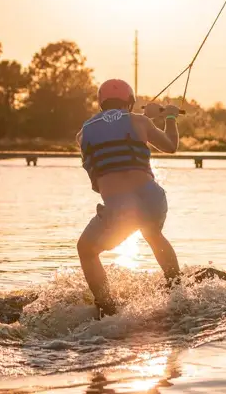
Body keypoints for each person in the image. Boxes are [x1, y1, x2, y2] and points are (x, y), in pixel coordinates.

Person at [76, 78, 182, 318]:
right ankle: (177, 290)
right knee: (152, 234)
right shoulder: (140, 121)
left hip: (119, 207)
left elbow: (109, 135)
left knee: (86, 249)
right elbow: (171, 146)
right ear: (131, 102)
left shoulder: (83, 133)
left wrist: (147, 119)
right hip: (153, 199)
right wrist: (170, 117)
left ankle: (107, 308)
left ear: (100, 103)